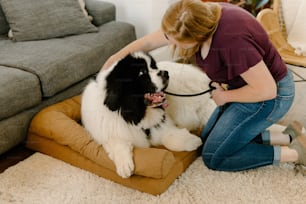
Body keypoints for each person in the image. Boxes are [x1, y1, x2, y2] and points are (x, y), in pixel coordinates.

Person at [102, 0, 306, 171]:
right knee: (208, 138)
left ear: (197, 36)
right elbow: (148, 42)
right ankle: (286, 136)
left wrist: (225, 97)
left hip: (270, 97)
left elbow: (266, 90)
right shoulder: (196, 15)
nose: (171, 44)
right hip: (245, 87)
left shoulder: (232, 41)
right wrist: (116, 57)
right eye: (168, 37)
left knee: (214, 156)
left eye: (177, 41)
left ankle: (295, 153)